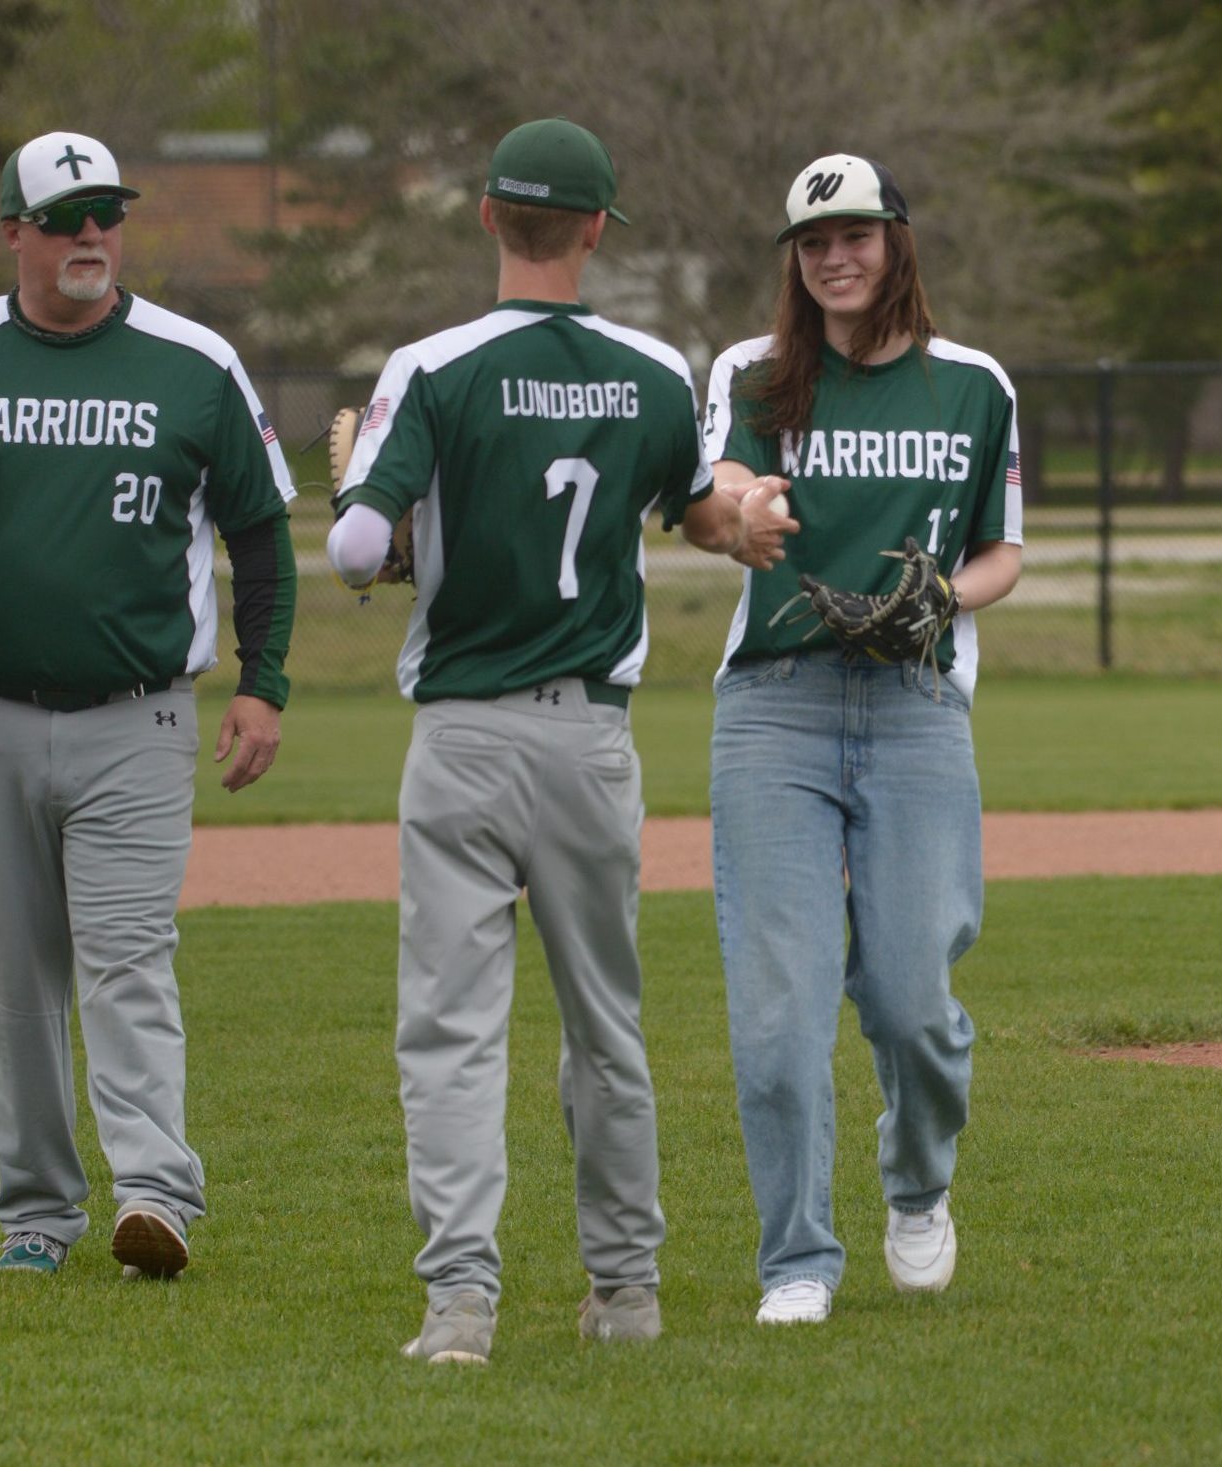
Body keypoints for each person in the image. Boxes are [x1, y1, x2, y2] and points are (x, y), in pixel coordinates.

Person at [328, 117, 792, 1364]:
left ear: (487, 217)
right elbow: (698, 513)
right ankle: (626, 1293)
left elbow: (359, 550)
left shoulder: (429, 366)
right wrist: (743, 524)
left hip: (465, 738)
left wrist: (363, 514)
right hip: (590, 740)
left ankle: (460, 1305)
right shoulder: (647, 367)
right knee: (604, 1023)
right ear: (594, 229)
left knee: (450, 1030)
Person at [703, 153, 1023, 1325]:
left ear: (896, 240)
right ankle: (795, 1259)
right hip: (774, 707)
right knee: (778, 1012)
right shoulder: (753, 369)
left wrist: (949, 592)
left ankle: (916, 1180)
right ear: (793, 259)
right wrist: (745, 506)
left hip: (915, 709)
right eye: (811, 239)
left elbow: (1002, 550)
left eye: (855, 233)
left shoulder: (973, 384)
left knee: (908, 1002)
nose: (834, 255)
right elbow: (726, 472)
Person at [0, 132, 297, 1279]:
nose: (90, 237)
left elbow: (261, 535)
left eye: (106, 214)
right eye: (64, 218)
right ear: (13, 229)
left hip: (139, 716)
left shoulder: (192, 359)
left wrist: (262, 684)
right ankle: (36, 1214)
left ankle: (155, 1194)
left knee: (125, 957)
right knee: (16, 979)